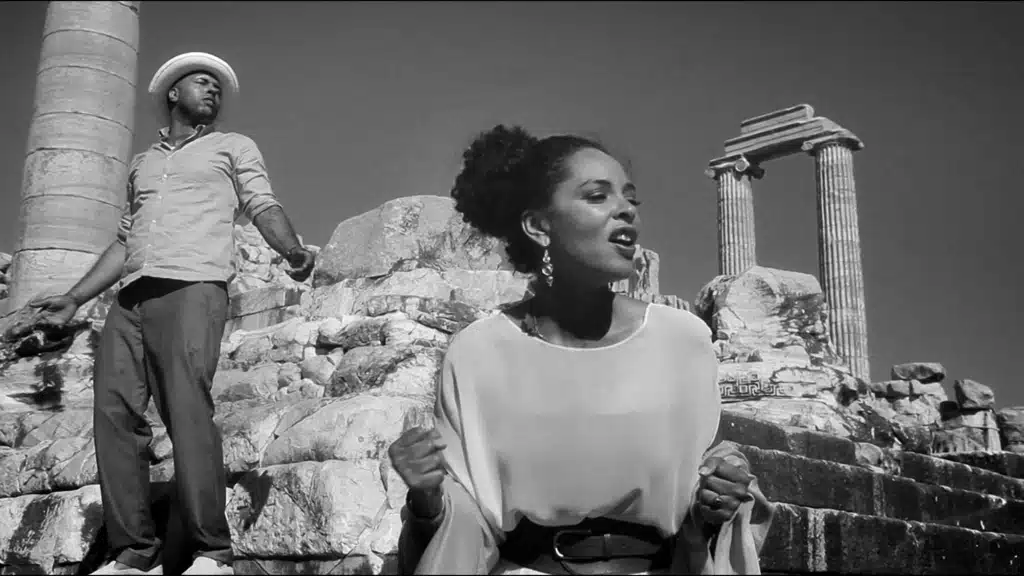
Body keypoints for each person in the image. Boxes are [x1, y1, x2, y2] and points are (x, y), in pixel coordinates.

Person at [388, 125, 775, 575]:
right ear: (539, 226)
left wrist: (717, 501)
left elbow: (702, 495)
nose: (626, 210)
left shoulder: (684, 340)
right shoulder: (476, 352)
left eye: (631, 198)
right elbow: (466, 517)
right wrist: (427, 496)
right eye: (597, 196)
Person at [26, 52, 316, 576]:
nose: (213, 90)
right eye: (202, 82)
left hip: (192, 287)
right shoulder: (143, 163)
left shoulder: (233, 147)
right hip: (130, 297)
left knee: (186, 409)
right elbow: (124, 239)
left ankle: (213, 552)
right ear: (173, 93)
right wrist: (74, 297)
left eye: (217, 87)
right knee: (113, 416)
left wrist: (290, 249)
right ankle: (134, 553)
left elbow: (261, 203)